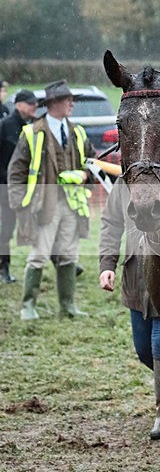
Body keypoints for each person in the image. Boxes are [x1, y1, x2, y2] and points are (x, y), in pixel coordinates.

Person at [99, 178, 160, 439]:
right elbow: (111, 223)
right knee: (143, 350)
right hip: (135, 280)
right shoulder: (123, 184)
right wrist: (107, 264)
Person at [8, 80, 94, 320]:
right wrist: (18, 203)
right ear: (54, 104)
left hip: (72, 205)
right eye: (68, 100)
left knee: (69, 255)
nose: (72, 104)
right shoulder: (32, 133)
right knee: (39, 254)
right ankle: (28, 306)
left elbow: (90, 159)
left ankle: (68, 306)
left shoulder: (76, 131)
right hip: (43, 205)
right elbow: (16, 171)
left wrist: (86, 173)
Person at [0, 89, 38, 283]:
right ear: (19, 105)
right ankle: (3, 268)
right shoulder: (5, 126)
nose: (35, 106)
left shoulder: (33, 127)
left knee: (42, 224)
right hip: (6, 188)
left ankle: (62, 262)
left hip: (30, 188)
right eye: (31, 103)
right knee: (5, 230)